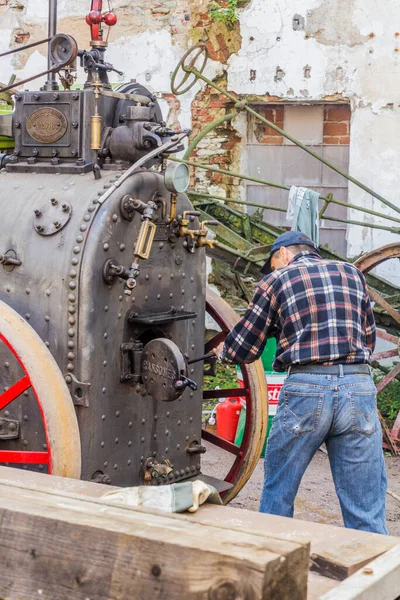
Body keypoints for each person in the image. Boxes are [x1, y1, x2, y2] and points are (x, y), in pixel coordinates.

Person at [218, 231, 388, 535]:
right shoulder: (352, 273)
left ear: (282, 254)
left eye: (272, 263)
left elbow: (242, 349)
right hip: (358, 388)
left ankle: (272, 563)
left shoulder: (277, 280)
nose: (272, 269)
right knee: (365, 507)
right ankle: (377, 575)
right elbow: (369, 338)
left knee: (278, 494)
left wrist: (221, 353)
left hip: (307, 390)